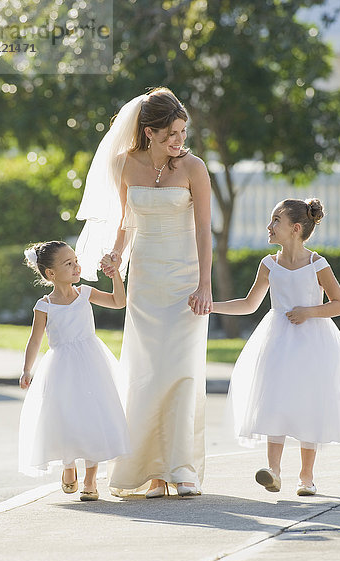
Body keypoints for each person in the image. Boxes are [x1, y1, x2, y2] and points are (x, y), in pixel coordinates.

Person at [75, 87, 212, 497]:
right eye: (171, 133)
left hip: (186, 279)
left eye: (183, 131)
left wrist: (205, 284)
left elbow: (204, 231)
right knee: (147, 373)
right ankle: (153, 472)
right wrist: (116, 255)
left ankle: (181, 468)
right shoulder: (125, 164)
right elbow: (125, 221)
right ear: (149, 132)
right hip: (146, 280)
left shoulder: (194, 168)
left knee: (182, 370)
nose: (179, 140)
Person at [212, 198, 340, 496]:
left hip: (313, 342)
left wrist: (309, 312)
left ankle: (306, 476)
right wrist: (211, 306)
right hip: (277, 341)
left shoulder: (317, 264)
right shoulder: (269, 264)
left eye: (275, 221)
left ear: (295, 228)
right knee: (274, 399)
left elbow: (339, 305)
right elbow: (249, 303)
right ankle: (274, 470)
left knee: (310, 402)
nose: (269, 226)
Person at [19, 240, 130, 501]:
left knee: (93, 416)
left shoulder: (86, 294)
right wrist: (27, 369)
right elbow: (35, 340)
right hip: (61, 368)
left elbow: (119, 302)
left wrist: (115, 277)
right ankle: (69, 465)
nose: (76, 266)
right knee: (66, 416)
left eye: (76, 261)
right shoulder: (44, 305)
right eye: (68, 264)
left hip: (92, 363)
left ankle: (91, 478)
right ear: (51, 274)